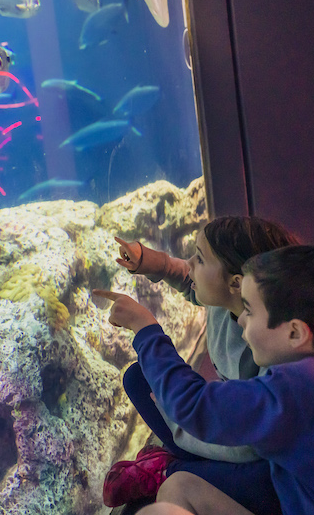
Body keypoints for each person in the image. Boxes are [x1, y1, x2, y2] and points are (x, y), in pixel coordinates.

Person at [95, 244, 314, 515]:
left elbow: (193, 405)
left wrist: (146, 329)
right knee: (179, 486)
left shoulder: (299, 390)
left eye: (249, 312)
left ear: (295, 332)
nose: (242, 323)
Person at [104, 216, 300, 514]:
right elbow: (193, 280)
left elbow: (247, 444)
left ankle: (166, 470)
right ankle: (182, 463)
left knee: (245, 476)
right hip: (229, 425)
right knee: (138, 378)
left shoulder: (271, 345)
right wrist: (158, 264)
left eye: (200, 258)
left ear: (236, 283)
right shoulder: (229, 301)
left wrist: (145, 328)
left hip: (259, 457)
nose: (190, 264)